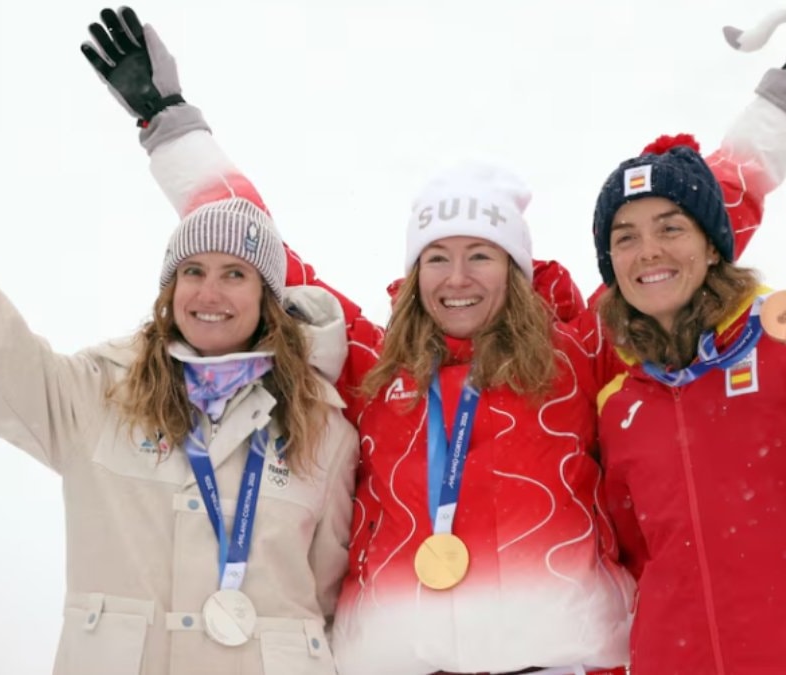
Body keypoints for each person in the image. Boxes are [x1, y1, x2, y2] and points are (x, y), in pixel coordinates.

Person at [81, 7, 637, 674]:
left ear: (516, 271)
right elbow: (261, 250)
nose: (456, 279)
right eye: (437, 257)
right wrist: (169, 123)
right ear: (414, 270)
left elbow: (674, 253)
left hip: (558, 660)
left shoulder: (577, 355)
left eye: (481, 256)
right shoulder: (376, 365)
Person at [0, 92, 359, 675]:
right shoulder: (99, 394)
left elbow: (330, 601)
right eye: (193, 272)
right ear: (170, 288)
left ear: (267, 300)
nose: (209, 294)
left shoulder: (324, 430)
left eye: (235, 274)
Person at [579, 77, 786, 674]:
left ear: (714, 244)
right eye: (626, 237)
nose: (649, 251)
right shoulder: (621, 404)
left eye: (670, 228)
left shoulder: (774, 337)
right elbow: (634, 558)